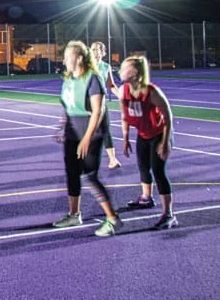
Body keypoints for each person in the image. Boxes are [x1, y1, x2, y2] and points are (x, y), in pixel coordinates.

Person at [53, 40, 122, 237]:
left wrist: (87, 138)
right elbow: (67, 106)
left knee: (89, 176)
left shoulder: (93, 78)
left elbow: (98, 111)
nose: (64, 60)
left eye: (68, 56)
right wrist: (61, 126)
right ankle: (74, 214)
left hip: (90, 131)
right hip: (72, 131)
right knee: (72, 173)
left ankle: (113, 219)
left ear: (80, 57)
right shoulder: (69, 80)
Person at [119, 56, 178, 229]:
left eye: (124, 68)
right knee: (143, 167)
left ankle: (169, 214)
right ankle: (146, 198)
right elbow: (125, 115)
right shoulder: (124, 91)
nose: (121, 70)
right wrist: (125, 138)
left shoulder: (151, 92)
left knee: (158, 171)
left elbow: (168, 116)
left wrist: (165, 142)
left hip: (160, 134)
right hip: (143, 134)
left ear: (135, 72)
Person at [90, 42, 123, 169]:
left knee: (106, 131)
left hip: (101, 104)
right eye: (93, 49)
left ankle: (113, 160)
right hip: (87, 104)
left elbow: (111, 85)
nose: (95, 52)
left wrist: (121, 96)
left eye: (98, 49)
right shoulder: (85, 66)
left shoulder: (106, 67)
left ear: (103, 52)